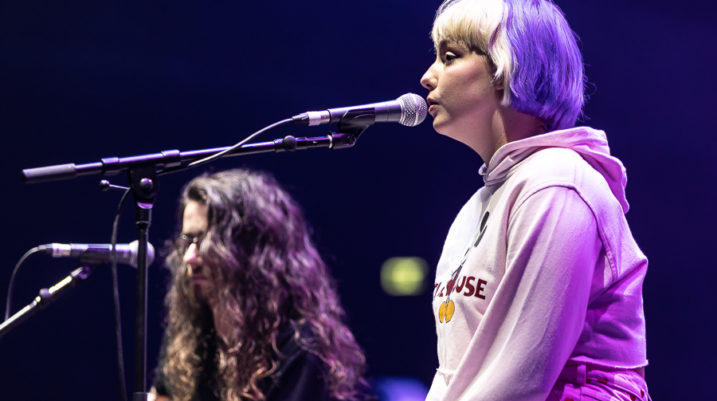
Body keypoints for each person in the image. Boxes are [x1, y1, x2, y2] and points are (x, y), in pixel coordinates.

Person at [419, 1, 650, 400]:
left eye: (450, 57)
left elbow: (522, 377)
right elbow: (454, 372)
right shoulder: (478, 206)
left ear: (506, 68)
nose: (427, 76)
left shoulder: (558, 182)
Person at [151, 169, 371, 401]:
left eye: (207, 241)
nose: (190, 257)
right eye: (188, 241)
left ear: (248, 247)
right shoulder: (189, 333)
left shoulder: (300, 348)